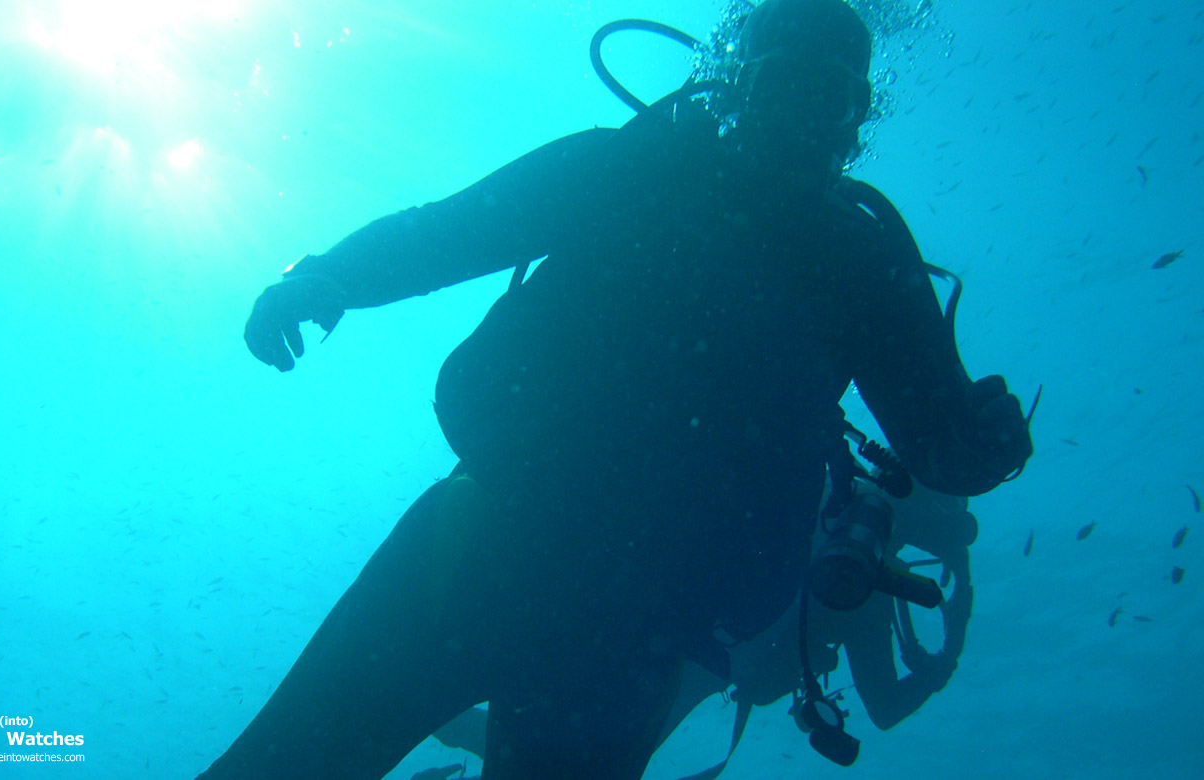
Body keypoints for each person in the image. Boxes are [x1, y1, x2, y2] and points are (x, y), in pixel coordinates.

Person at [201, 0, 1033, 777]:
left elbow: (937, 445)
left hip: (633, 626)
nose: (804, 120)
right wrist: (330, 274)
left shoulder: (864, 265)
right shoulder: (628, 169)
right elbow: (455, 229)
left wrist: (984, 451)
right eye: (785, 86)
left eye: (832, 99)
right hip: (490, 545)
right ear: (739, 85)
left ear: (859, 117)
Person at [421, 481, 977, 778]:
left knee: (568, 742)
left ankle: (436, 711)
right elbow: (884, 708)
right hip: (706, 663)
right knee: (586, 757)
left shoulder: (824, 500)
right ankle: (441, 715)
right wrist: (948, 650)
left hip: (682, 634)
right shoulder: (869, 583)